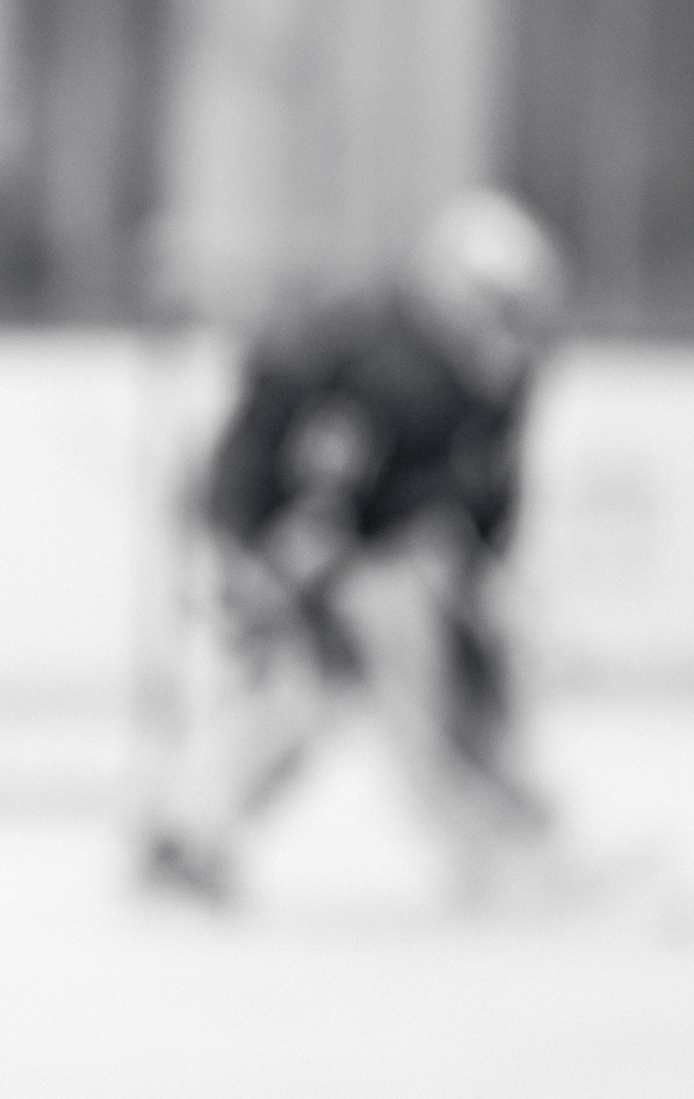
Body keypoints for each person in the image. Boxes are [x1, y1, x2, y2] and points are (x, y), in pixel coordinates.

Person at [143, 190, 571, 907]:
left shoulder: (490, 385)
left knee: (416, 672)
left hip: (370, 550)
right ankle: (194, 829)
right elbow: (318, 496)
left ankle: (493, 819)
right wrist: (267, 569)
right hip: (305, 541)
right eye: (501, 307)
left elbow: (485, 498)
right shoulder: (389, 371)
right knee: (317, 692)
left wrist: (486, 584)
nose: (513, 330)